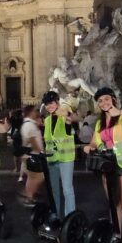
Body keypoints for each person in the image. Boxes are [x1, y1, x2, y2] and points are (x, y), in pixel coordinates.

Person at [82, 87, 122, 240]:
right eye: (100, 101)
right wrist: (88, 147)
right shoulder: (100, 124)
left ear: (113, 100)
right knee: (114, 204)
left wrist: (121, 112)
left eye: (106, 99)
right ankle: (116, 236)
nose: (103, 103)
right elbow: (94, 143)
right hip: (108, 167)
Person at [41, 91, 78, 219]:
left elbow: (74, 119)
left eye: (51, 103)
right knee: (54, 190)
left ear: (57, 103)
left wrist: (68, 114)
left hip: (66, 158)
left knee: (67, 189)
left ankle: (70, 217)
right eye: (46, 104)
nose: (49, 106)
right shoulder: (46, 120)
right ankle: (55, 214)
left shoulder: (64, 116)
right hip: (52, 159)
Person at [20, 105, 44, 207]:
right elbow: (32, 140)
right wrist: (40, 152)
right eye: (34, 111)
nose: (36, 112)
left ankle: (30, 193)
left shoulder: (29, 124)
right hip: (34, 155)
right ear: (30, 112)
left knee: (32, 176)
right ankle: (29, 196)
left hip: (32, 154)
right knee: (38, 177)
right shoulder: (29, 125)